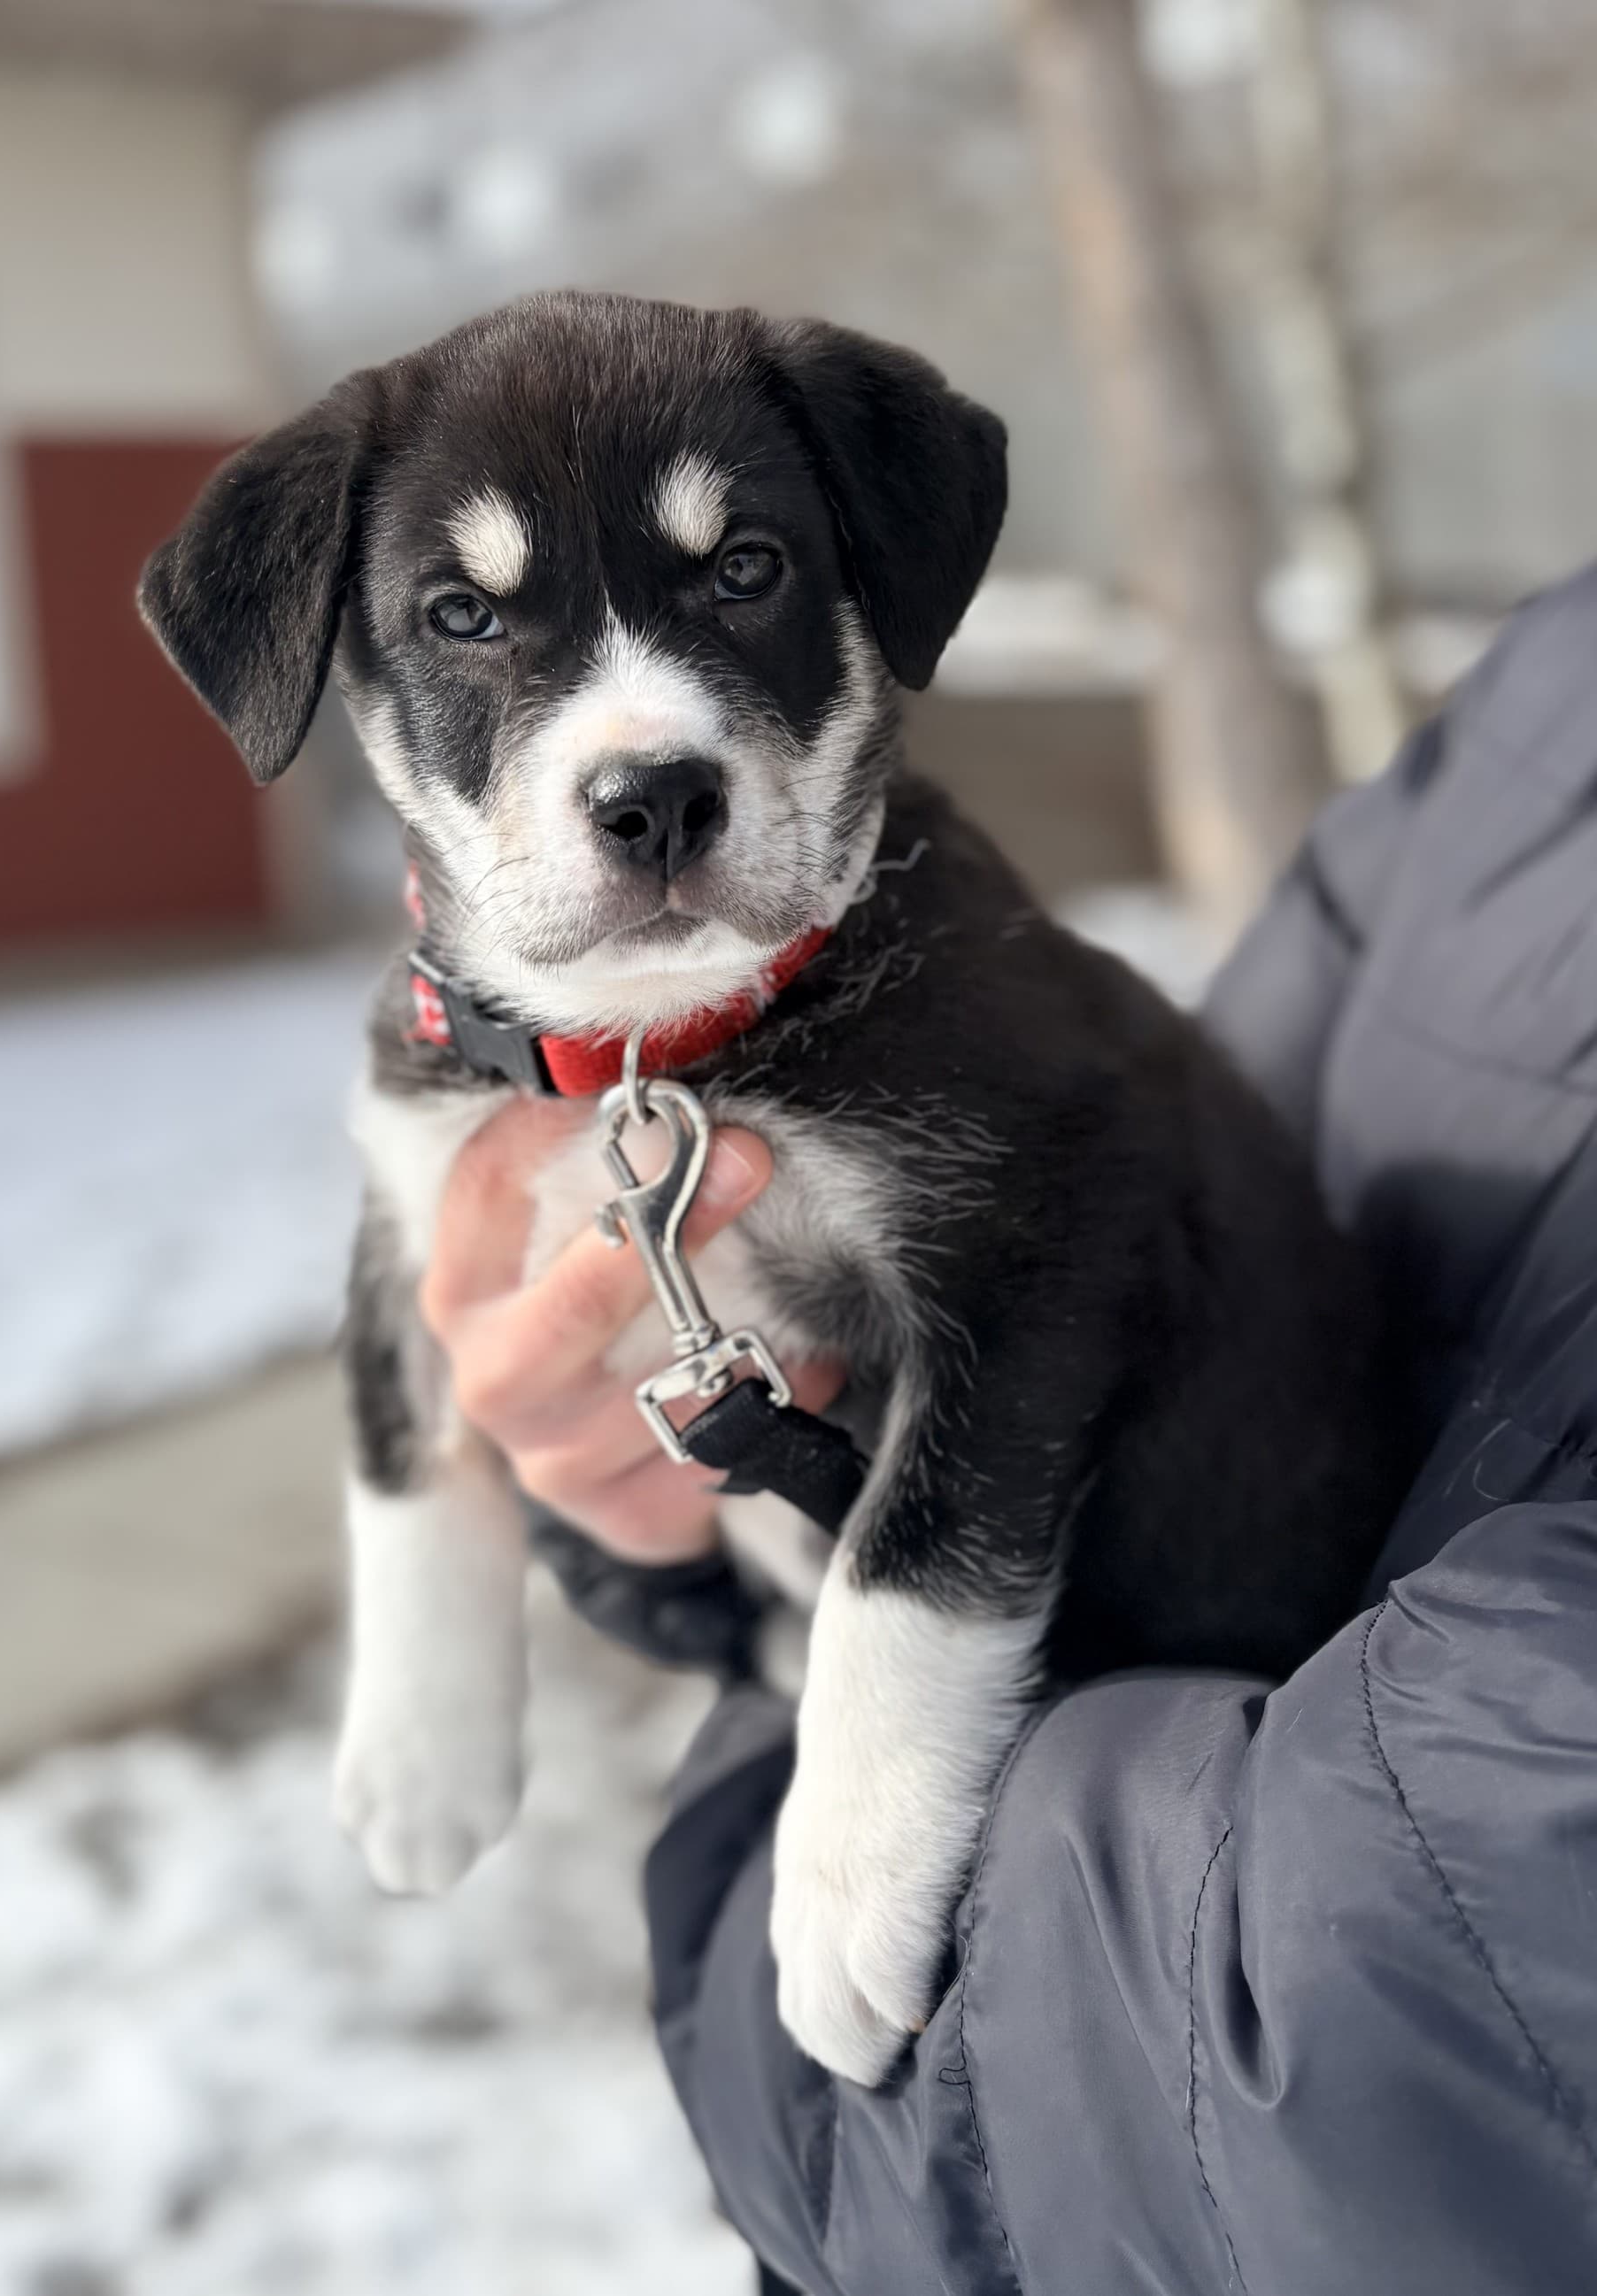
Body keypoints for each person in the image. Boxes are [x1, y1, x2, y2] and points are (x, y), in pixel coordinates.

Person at [419, 567, 1597, 2294]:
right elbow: (1150, 1169)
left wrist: (852, 1730)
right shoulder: (1546, 690)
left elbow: (1397, 2020)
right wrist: (720, 1500)